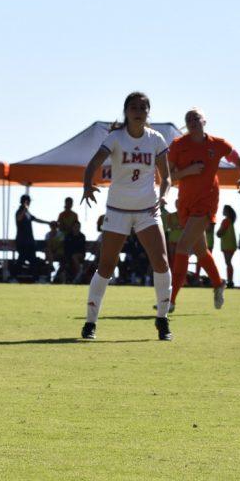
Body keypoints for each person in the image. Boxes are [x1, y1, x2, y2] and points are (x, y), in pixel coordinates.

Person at [80, 92, 172, 341]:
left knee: (161, 262)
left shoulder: (156, 139)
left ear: (148, 112)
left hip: (147, 210)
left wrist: (163, 196)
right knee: (106, 266)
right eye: (133, 107)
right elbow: (93, 164)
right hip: (118, 210)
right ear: (126, 111)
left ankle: (163, 320)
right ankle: (90, 323)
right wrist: (88, 185)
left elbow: (167, 177)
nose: (138, 111)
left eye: (143, 107)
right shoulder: (116, 137)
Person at [166, 108, 240, 311]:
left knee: (182, 246)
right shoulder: (178, 145)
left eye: (196, 118)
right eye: (188, 119)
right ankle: (219, 283)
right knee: (201, 250)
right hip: (185, 202)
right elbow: (168, 177)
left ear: (204, 121)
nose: (192, 121)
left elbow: (239, 160)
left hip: (206, 202)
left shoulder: (218, 144)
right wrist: (188, 171)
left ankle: (170, 300)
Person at [14, 195, 49, 277]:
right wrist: (24, 209)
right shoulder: (19, 211)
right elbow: (18, 219)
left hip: (30, 241)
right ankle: (13, 277)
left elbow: (36, 219)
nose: (29, 203)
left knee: (33, 261)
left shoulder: (27, 213)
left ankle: (35, 278)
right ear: (24, 202)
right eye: (28, 201)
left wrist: (48, 222)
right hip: (22, 241)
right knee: (21, 260)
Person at [217, 205, 238, 288]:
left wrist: (218, 233)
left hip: (227, 244)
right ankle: (230, 280)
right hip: (231, 244)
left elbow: (220, 232)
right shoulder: (230, 221)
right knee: (228, 262)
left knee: (228, 262)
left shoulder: (226, 221)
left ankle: (230, 280)